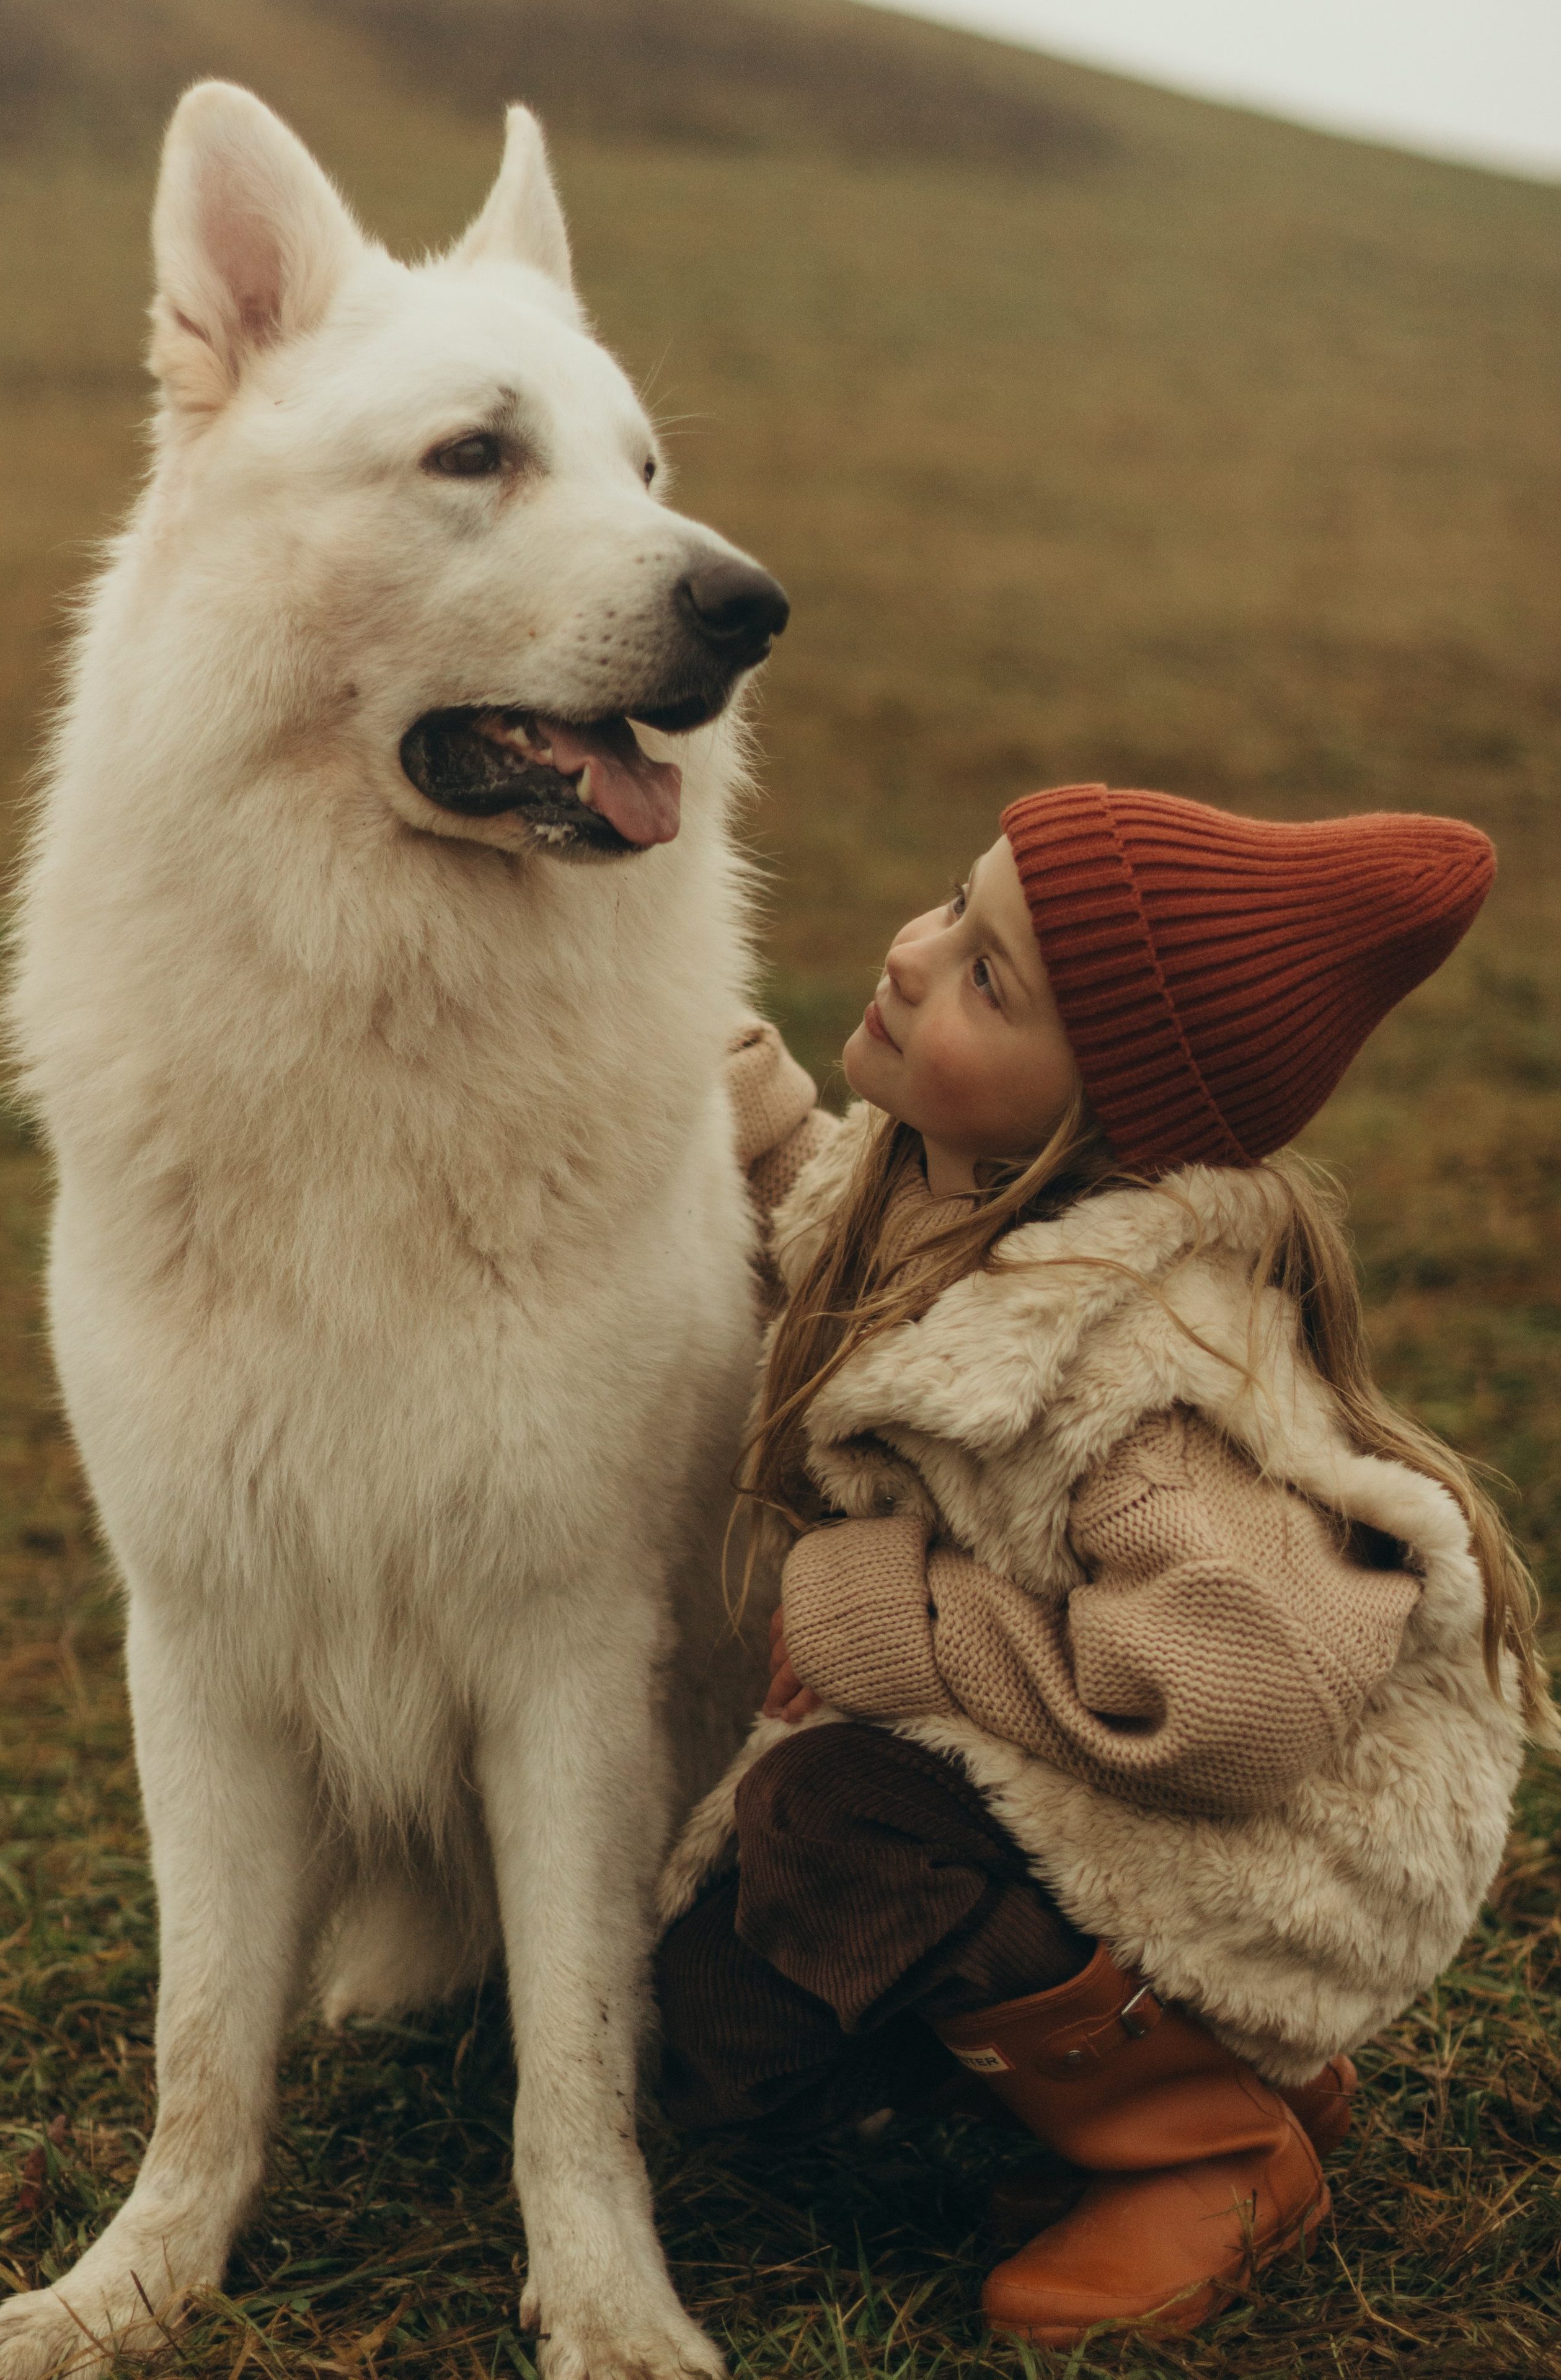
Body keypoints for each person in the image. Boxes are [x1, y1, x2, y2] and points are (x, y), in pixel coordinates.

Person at [657, 782, 1556, 2348]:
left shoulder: (1139, 1400)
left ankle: (1205, 2142)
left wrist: (888, 1614)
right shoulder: (944, 1191)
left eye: (986, 979)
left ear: (1101, 1122)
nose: (914, 953)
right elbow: (818, 1222)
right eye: (955, 902)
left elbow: (1240, 1696)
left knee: (834, 1820)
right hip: (1101, 1786)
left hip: (1255, 1841)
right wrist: (704, 1076)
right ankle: (1204, 2069)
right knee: (722, 2053)